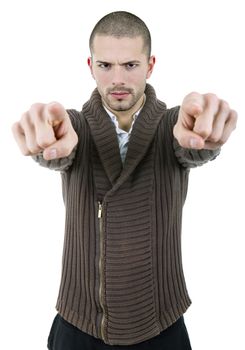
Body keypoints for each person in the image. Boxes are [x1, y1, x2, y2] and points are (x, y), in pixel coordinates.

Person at [12, 10, 237, 350]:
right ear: (90, 66)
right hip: (80, 323)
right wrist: (44, 145)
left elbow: (190, 148)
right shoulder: (73, 126)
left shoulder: (172, 124)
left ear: (150, 65)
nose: (117, 79)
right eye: (105, 66)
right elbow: (59, 148)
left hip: (160, 324)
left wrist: (206, 137)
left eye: (130, 65)